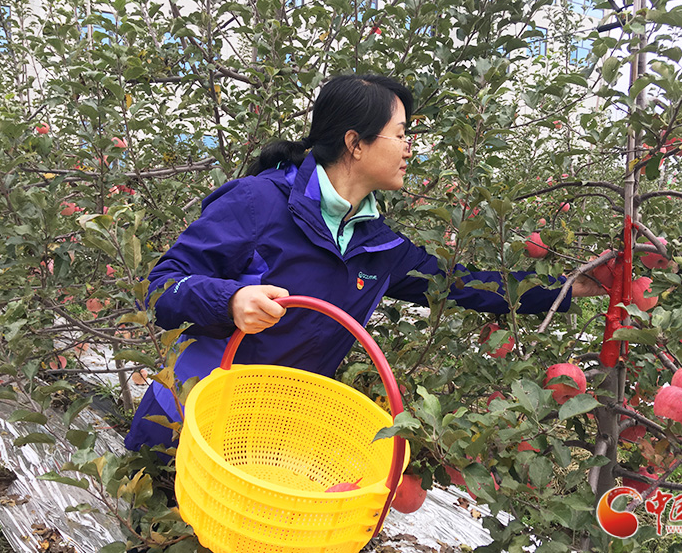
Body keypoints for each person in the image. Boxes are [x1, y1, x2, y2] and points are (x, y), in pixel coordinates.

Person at [124, 74, 605, 453]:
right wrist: (230, 299)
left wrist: (576, 286)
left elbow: (461, 284)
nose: (409, 148)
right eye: (400, 134)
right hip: (185, 421)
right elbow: (163, 289)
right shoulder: (257, 203)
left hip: (269, 435)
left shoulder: (377, 245)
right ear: (356, 144)